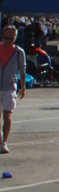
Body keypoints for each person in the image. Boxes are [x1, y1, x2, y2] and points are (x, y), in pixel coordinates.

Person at [0, 24, 27, 153]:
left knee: (7, 115)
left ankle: (4, 143)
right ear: (2, 37)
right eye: (6, 38)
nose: (9, 41)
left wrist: (23, 87)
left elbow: (22, 70)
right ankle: (0, 139)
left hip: (10, 87)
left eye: (12, 39)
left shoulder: (19, 52)